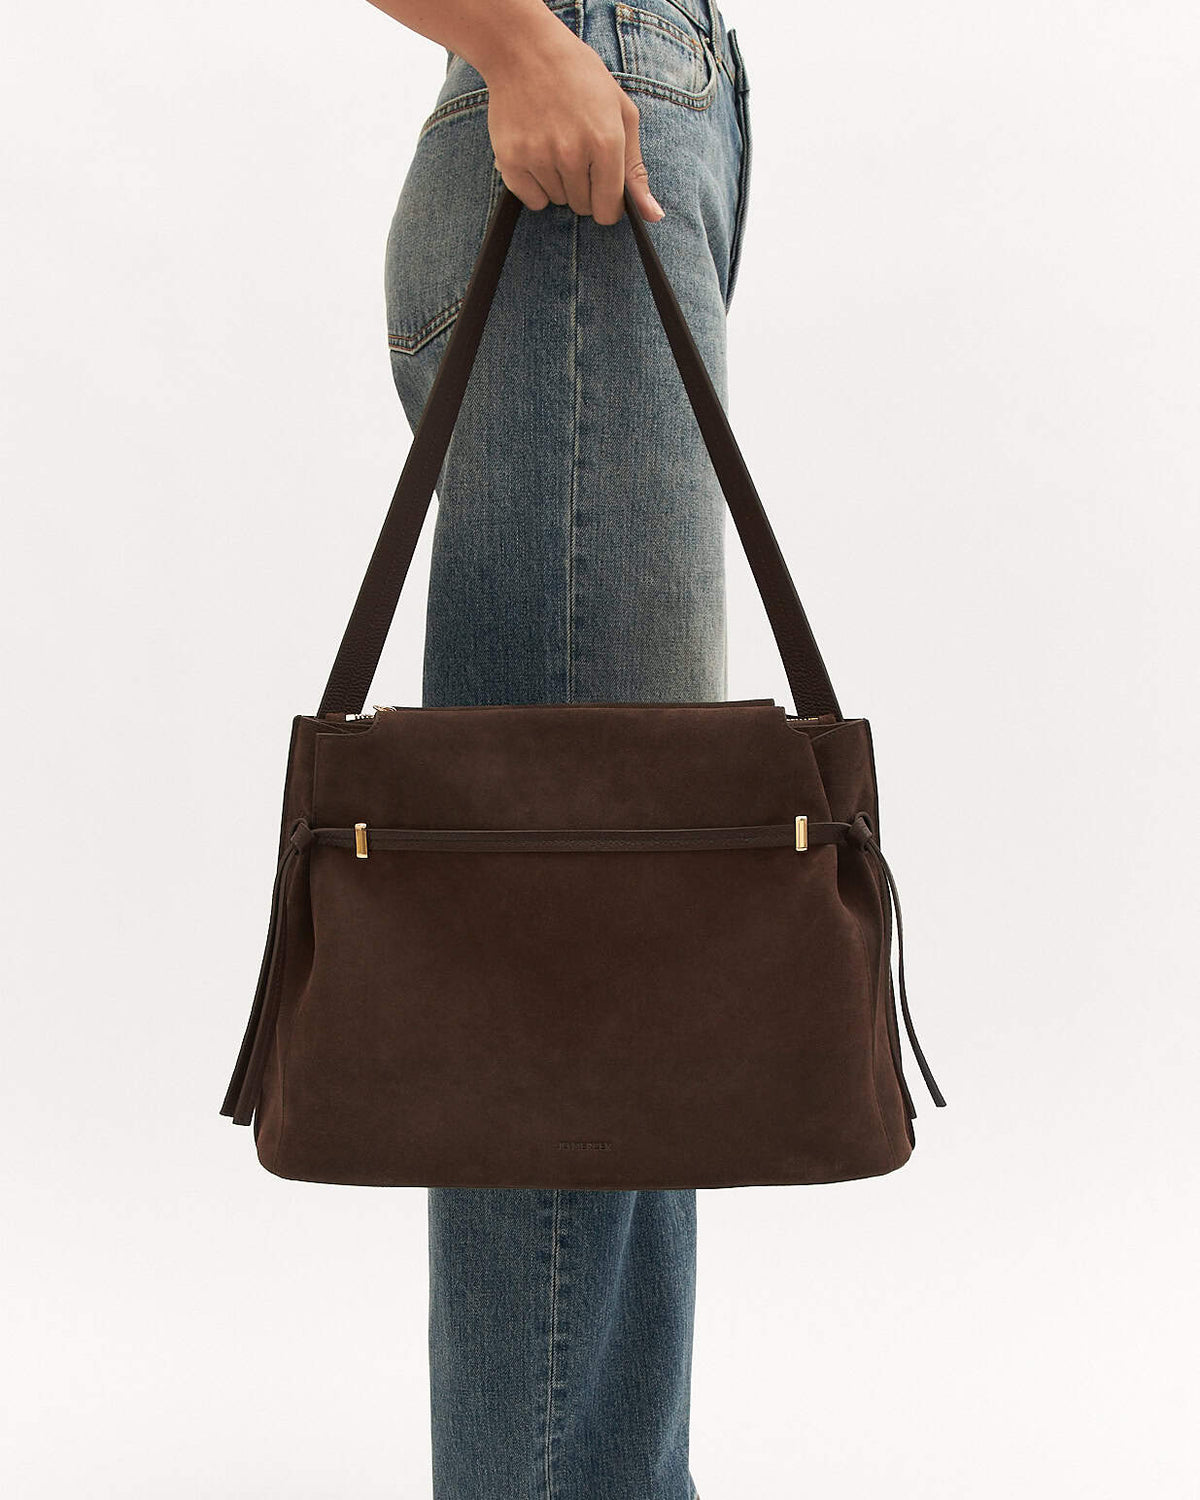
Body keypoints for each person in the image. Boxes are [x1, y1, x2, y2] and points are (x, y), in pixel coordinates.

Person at [368, 0, 751, 1493]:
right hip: (582, 103)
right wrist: (524, 44)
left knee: (624, 958)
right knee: (572, 960)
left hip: (650, 100)